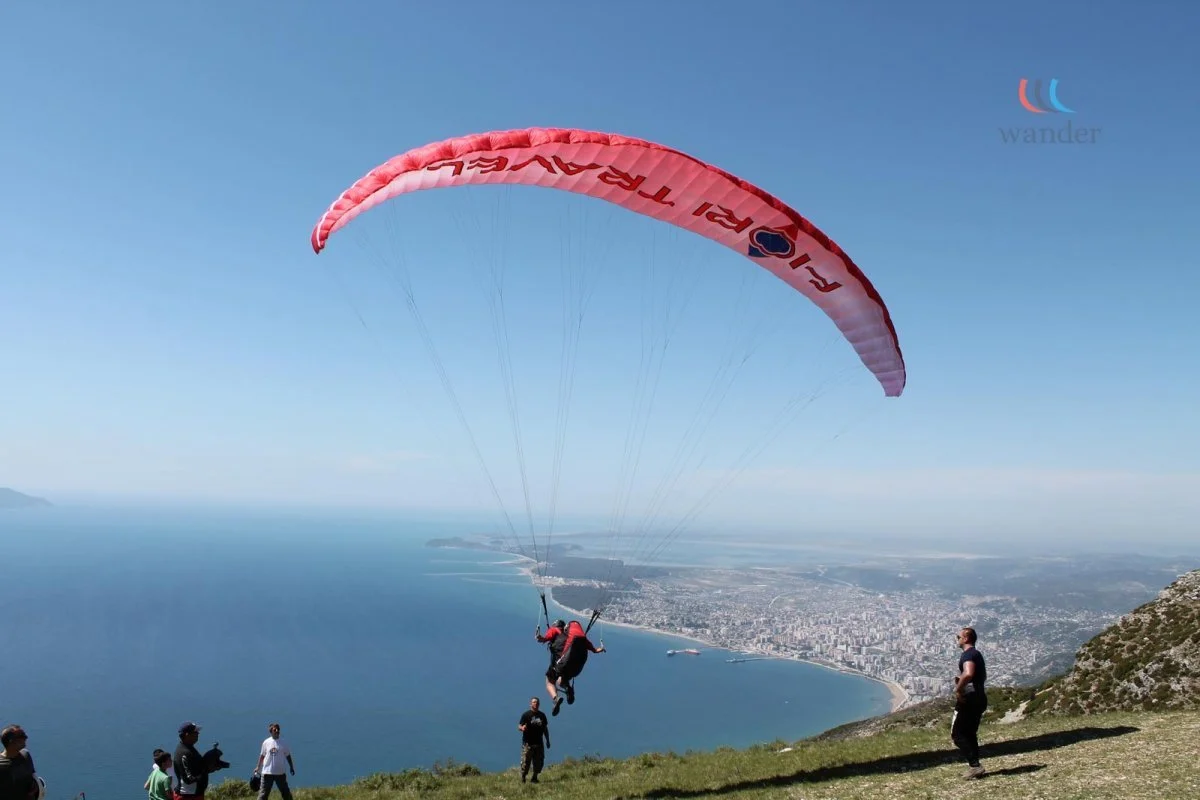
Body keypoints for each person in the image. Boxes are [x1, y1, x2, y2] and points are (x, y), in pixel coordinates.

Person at [951, 627, 988, 779]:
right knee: (970, 733)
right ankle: (975, 766)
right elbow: (979, 677)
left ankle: (975, 766)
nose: (956, 639)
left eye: (958, 636)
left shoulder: (968, 654)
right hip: (979, 697)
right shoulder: (976, 654)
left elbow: (969, 673)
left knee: (957, 734)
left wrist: (959, 689)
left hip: (970, 699)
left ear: (966, 638)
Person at [550, 620, 606, 715]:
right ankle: (568, 688)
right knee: (563, 678)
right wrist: (597, 649)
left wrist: (545, 640)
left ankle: (557, 697)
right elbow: (593, 649)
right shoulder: (582, 638)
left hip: (566, 662)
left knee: (552, 679)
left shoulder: (565, 636)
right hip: (578, 665)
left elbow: (554, 644)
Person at [252, 723, 294, 800]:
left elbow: (288, 756)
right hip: (267, 773)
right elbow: (262, 756)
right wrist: (258, 767)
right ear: (271, 731)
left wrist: (291, 767)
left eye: (278, 729)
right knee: (263, 795)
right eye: (275, 729)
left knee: (286, 794)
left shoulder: (283, 742)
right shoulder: (266, 742)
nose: (277, 731)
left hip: (280, 773)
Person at [535, 619, 568, 709]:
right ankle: (567, 687)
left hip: (558, 661)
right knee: (561, 678)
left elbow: (545, 638)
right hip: (569, 661)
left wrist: (540, 638)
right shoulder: (568, 634)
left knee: (549, 681)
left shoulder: (553, 630)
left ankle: (555, 698)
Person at [517, 697, 550, 784]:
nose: (536, 704)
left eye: (537, 702)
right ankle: (523, 777)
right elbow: (519, 726)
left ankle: (534, 778)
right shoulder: (526, 715)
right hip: (528, 744)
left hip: (539, 743)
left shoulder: (542, 715)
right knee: (525, 762)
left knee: (539, 762)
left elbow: (545, 729)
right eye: (534, 702)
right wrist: (522, 728)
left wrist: (547, 740)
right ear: (530, 704)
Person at [173, 722, 210, 800]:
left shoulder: (189, 748)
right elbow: (188, 779)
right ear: (187, 735)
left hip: (194, 794)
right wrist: (205, 771)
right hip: (187, 796)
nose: (198, 734)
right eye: (195, 732)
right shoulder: (184, 753)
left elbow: (195, 768)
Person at [0, 725, 37, 800]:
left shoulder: (26, 755)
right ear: (11, 741)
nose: (26, 738)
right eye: (21, 736)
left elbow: (32, 777)